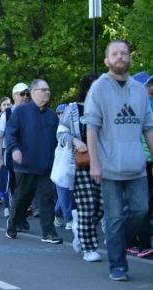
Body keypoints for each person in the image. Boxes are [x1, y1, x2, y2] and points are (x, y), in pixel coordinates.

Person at [85, 40, 153, 281]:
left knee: (141, 210)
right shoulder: (99, 89)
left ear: (130, 59)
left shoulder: (138, 90)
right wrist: (94, 163)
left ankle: (117, 240)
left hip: (137, 167)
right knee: (113, 218)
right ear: (107, 61)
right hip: (109, 167)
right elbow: (91, 129)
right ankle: (118, 265)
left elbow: (148, 127)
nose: (120, 56)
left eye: (124, 53)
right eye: (115, 53)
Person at [5, 79, 63, 244]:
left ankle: (49, 232)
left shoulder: (52, 115)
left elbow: (59, 138)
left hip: (46, 164)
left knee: (47, 197)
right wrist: (15, 149)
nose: (47, 93)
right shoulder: (21, 111)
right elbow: (11, 133)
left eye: (48, 90)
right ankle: (13, 223)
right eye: (43, 90)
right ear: (33, 92)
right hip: (25, 163)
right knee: (22, 196)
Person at [57, 74, 103, 262]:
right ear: (85, 89)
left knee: (102, 207)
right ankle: (88, 247)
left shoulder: (104, 109)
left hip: (103, 164)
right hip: (81, 164)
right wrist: (75, 140)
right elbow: (61, 133)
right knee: (87, 205)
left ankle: (80, 230)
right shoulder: (74, 109)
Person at [0, 83, 32, 229]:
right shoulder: (7, 113)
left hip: (30, 154)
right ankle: (15, 219)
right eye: (21, 94)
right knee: (15, 188)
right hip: (11, 154)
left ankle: (21, 216)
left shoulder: (32, 112)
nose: (25, 97)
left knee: (30, 188)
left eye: (27, 94)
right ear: (14, 95)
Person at [127, 71, 153, 259]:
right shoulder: (131, 106)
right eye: (148, 84)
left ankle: (132, 240)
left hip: (150, 160)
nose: (151, 87)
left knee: (144, 205)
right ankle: (142, 243)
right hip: (136, 161)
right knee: (140, 204)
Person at [53, 103, 75, 230]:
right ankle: (68, 219)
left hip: (72, 162)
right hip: (59, 163)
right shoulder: (54, 127)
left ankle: (57, 213)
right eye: (59, 113)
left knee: (67, 192)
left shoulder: (73, 126)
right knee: (63, 191)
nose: (61, 115)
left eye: (64, 112)